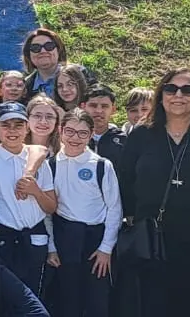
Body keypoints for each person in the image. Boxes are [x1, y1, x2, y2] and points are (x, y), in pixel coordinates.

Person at [117, 68, 190, 317]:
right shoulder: (141, 135)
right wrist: (133, 219)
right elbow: (126, 180)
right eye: (171, 89)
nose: (178, 95)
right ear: (160, 94)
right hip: (153, 241)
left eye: (187, 90)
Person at [45, 108, 122, 317]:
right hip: (65, 238)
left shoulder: (101, 166)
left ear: (90, 135)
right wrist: (52, 247)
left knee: (97, 301)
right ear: (60, 131)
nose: (75, 138)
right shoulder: (50, 166)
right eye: (70, 131)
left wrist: (106, 248)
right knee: (67, 301)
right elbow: (47, 212)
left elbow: (114, 208)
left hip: (95, 242)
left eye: (82, 133)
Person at [0, 102, 56, 296]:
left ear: (27, 127)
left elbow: (51, 207)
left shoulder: (40, 164)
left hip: (34, 237)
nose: (12, 131)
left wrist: (35, 191)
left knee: (33, 293)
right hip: (2, 238)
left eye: (18, 125)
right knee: (2, 292)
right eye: (6, 125)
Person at [82, 86, 125, 165]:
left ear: (113, 109)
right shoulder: (74, 137)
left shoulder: (123, 140)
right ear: (83, 107)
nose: (98, 111)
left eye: (104, 106)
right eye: (93, 105)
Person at [19, 29, 66, 100]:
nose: (43, 51)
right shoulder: (25, 86)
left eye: (49, 46)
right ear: (28, 54)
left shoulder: (78, 75)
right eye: (36, 48)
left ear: (58, 50)